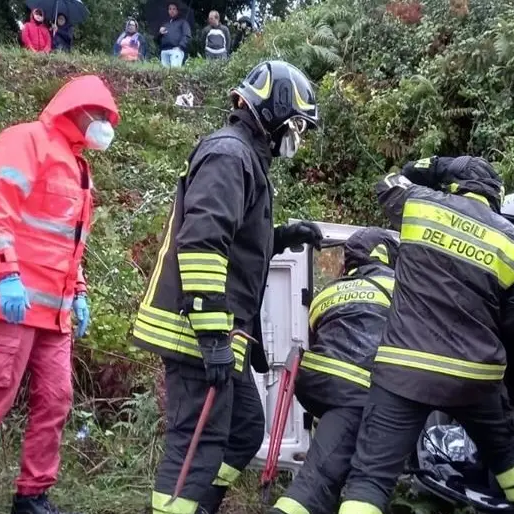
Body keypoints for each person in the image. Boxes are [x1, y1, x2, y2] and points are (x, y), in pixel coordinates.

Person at [130, 60, 322, 514]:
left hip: (216, 331)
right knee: (196, 446)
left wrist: (282, 237)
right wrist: (213, 336)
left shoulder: (244, 157)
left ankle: (203, 505)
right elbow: (201, 244)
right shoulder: (229, 154)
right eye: (295, 124)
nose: (295, 136)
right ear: (274, 112)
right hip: (197, 329)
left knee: (242, 432)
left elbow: (236, 248)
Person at [0, 75, 118, 514]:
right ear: (77, 110)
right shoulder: (26, 141)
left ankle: (32, 495)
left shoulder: (78, 165)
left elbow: (68, 242)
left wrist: (78, 291)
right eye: (99, 115)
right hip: (10, 303)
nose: (103, 125)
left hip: (53, 311)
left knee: (56, 400)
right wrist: (6, 276)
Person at [337, 156, 514, 514]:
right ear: (495, 196)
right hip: (476, 376)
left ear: (452, 186)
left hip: (404, 370)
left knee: (370, 478)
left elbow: (387, 182)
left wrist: (435, 165)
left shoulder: (420, 204)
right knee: (511, 459)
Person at [269, 228, 398, 514]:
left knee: (332, 457)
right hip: (358, 386)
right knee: (326, 480)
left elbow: (318, 336)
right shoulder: (400, 287)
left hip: (316, 383)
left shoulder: (328, 291)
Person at [158, 2, 191, 67]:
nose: (172, 11)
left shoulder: (183, 22)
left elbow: (187, 35)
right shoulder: (165, 24)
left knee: (174, 73)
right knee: (164, 75)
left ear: (177, 11)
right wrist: (160, 34)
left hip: (176, 51)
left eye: (174, 9)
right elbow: (158, 41)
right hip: (164, 51)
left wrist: (180, 47)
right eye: (170, 9)